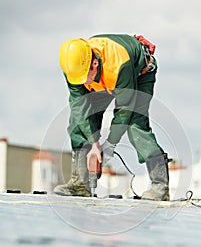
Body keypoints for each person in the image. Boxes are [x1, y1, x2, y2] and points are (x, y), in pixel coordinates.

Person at [54, 34, 170, 200]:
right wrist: (94, 144)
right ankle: (80, 184)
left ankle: (160, 186)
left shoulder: (119, 64)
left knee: (135, 125)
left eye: (84, 78)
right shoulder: (74, 68)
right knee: (78, 121)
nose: (83, 83)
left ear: (94, 63)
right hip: (103, 80)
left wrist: (110, 144)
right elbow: (79, 106)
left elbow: (124, 110)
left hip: (138, 74)